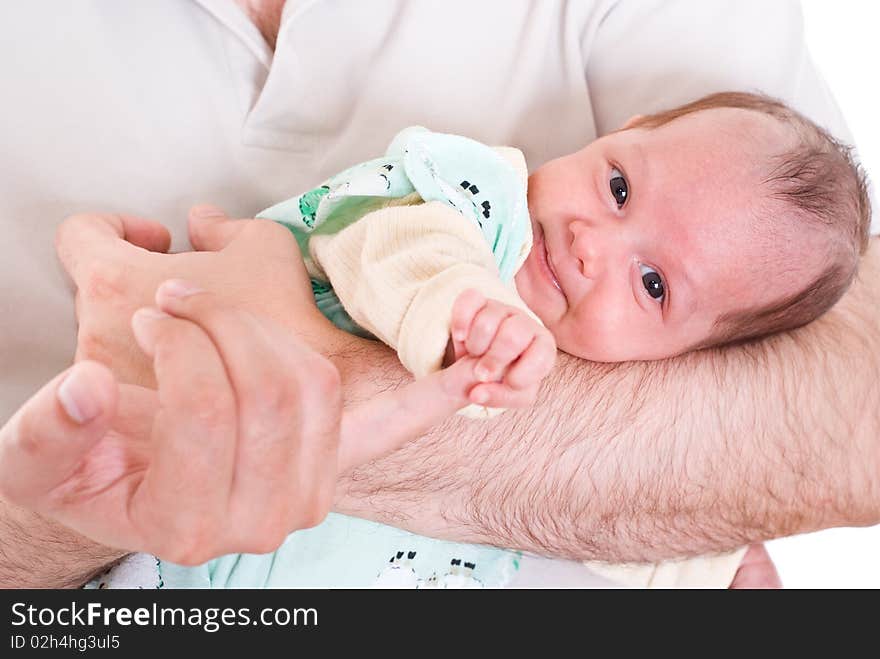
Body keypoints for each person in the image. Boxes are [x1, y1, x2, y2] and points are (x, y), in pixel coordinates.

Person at [0, 0, 876, 588]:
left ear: (698, 349)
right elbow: (389, 242)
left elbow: (831, 421)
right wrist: (457, 313)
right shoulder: (476, 195)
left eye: (652, 285)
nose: (589, 243)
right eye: (616, 187)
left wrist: (718, 565)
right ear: (626, 131)